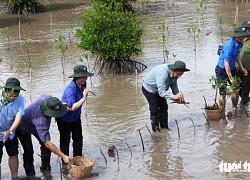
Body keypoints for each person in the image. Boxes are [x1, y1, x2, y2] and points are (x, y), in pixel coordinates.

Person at [16, 94, 70, 177]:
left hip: (32, 121)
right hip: (22, 126)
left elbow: (51, 102)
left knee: (45, 147)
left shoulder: (46, 98)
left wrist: (60, 105)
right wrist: (63, 156)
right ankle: (30, 175)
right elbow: (48, 143)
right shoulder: (41, 121)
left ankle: (46, 170)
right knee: (29, 151)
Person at [56, 65, 94, 161]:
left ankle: (78, 161)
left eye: (85, 77)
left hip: (75, 117)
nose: (84, 79)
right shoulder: (70, 88)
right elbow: (72, 107)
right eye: (82, 77)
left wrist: (80, 110)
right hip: (64, 118)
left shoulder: (83, 85)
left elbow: (78, 105)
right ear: (76, 77)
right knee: (65, 141)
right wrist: (84, 98)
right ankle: (65, 162)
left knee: (78, 139)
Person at [142, 61, 190, 132]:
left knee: (164, 108)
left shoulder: (175, 73)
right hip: (150, 89)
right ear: (173, 70)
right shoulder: (162, 74)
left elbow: (173, 84)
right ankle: (156, 131)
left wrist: (177, 96)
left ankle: (164, 129)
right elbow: (162, 93)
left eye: (181, 74)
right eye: (178, 74)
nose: (179, 76)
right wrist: (174, 97)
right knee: (154, 109)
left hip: (161, 89)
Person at [215, 25, 250, 116]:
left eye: (244, 36)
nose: (244, 37)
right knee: (223, 93)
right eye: (242, 36)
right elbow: (226, 63)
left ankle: (234, 109)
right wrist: (230, 78)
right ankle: (222, 112)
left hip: (232, 68)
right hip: (222, 70)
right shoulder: (229, 46)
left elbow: (237, 55)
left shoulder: (240, 43)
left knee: (236, 89)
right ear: (237, 36)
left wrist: (242, 68)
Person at [0, 77, 25, 179]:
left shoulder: (21, 98)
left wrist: (10, 131)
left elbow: (18, 117)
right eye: (11, 95)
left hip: (11, 131)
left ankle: (14, 178)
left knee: (13, 154)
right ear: (6, 91)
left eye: (16, 95)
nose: (13, 98)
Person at [237, 20, 250, 105]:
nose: (248, 30)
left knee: (246, 88)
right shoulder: (238, 38)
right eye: (247, 29)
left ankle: (244, 107)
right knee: (236, 87)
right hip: (237, 68)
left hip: (248, 69)